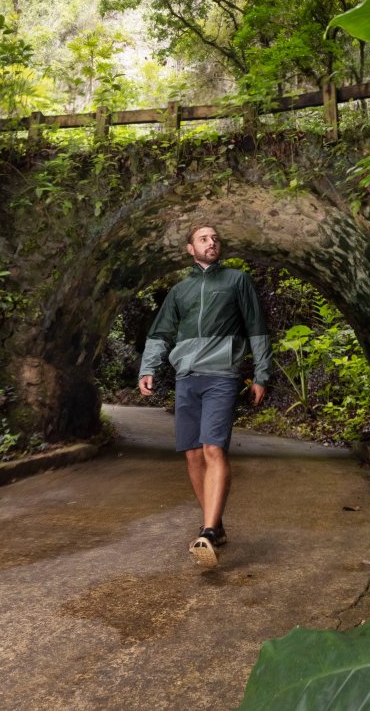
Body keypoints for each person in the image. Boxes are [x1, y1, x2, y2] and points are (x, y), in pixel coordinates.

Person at [138, 224, 271, 567]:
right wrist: (147, 368)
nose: (212, 243)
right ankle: (216, 524)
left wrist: (261, 374)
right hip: (186, 377)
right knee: (193, 455)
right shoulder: (180, 290)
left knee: (213, 447)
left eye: (215, 238)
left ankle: (208, 530)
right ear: (190, 249)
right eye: (204, 239)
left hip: (221, 375)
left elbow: (256, 326)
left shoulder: (237, 281)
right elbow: (160, 332)